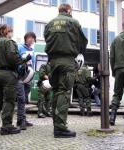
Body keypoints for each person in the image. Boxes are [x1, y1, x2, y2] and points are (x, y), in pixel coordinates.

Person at [44, 3, 88, 138]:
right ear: (68, 10)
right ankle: (60, 128)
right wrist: (77, 52)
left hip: (53, 62)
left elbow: (47, 39)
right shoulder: (73, 22)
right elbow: (82, 42)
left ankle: (56, 124)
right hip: (67, 61)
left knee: (56, 91)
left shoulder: (49, 24)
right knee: (64, 92)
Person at [0, 24, 26, 135]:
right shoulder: (9, 42)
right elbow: (13, 58)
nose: (11, 33)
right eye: (10, 31)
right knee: (9, 100)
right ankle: (7, 126)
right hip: (8, 74)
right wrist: (22, 61)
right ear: (6, 31)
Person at [16, 32, 36, 130]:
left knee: (24, 99)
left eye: (32, 38)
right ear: (25, 39)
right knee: (21, 98)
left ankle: (20, 119)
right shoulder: (20, 47)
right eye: (29, 38)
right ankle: (22, 120)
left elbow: (33, 64)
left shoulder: (32, 50)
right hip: (20, 75)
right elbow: (17, 61)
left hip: (29, 76)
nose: (31, 40)